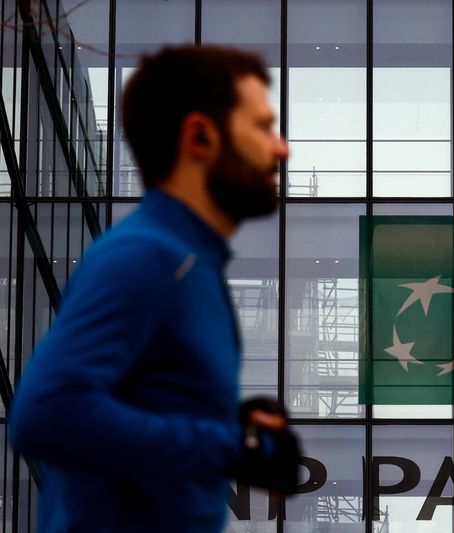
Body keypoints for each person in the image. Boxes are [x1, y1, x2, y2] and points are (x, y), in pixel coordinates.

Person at [8, 45, 299, 532]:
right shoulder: (146, 259)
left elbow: (141, 411)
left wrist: (228, 423)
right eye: (263, 127)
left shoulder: (187, 263)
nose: (281, 148)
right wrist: (232, 446)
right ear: (200, 136)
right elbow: (45, 414)